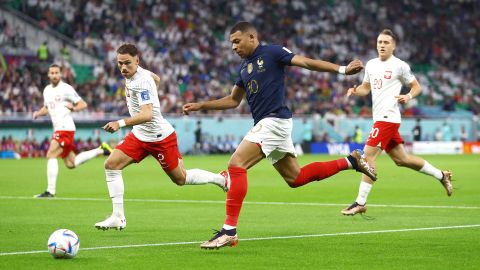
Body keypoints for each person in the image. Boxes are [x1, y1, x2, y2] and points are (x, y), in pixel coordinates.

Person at [182, 21, 376, 249]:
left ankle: (229, 231)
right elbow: (233, 100)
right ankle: (350, 161)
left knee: (236, 164)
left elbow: (305, 62)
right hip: (271, 124)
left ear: (252, 37)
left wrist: (342, 70)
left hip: (274, 120)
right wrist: (201, 105)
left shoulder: (272, 52)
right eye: (231, 43)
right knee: (296, 178)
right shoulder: (244, 68)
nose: (233, 47)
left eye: (237, 41)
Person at [94, 44, 228, 230]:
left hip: (160, 138)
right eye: (120, 64)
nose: (123, 68)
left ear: (137, 61)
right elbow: (156, 79)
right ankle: (118, 216)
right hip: (140, 136)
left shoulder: (141, 81)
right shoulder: (140, 74)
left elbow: (147, 114)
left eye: (127, 63)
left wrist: (120, 123)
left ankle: (220, 179)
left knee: (181, 179)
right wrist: (152, 94)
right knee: (111, 164)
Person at [341, 29, 453, 216]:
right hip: (380, 118)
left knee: (367, 157)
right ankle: (442, 175)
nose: (382, 45)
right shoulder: (370, 65)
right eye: (379, 42)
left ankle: (360, 202)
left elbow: (417, 87)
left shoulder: (400, 65)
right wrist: (355, 90)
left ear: (393, 46)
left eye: (386, 42)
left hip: (388, 118)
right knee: (402, 160)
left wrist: (408, 96)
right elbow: (366, 88)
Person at [32, 64, 112, 198]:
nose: (54, 75)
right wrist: (38, 113)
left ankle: (50, 191)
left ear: (60, 74)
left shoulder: (66, 89)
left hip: (65, 128)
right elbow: (47, 108)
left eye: (56, 72)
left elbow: (83, 104)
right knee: (71, 163)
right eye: (51, 73)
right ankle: (101, 150)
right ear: (48, 75)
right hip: (58, 128)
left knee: (51, 154)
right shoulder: (47, 90)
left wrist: (74, 108)